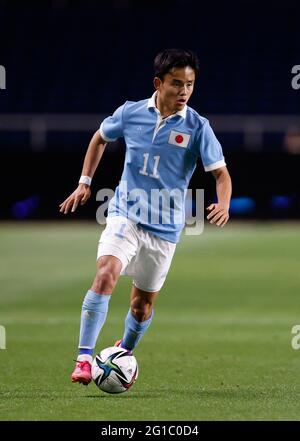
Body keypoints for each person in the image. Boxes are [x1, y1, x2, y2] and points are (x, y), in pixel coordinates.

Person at [59, 48, 232, 385]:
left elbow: (221, 175)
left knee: (141, 307)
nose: (184, 92)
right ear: (159, 82)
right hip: (125, 215)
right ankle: (83, 359)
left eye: (190, 85)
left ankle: (124, 349)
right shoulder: (131, 113)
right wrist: (84, 183)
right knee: (106, 273)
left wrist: (223, 203)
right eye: (177, 84)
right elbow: (100, 138)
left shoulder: (198, 127)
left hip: (165, 229)